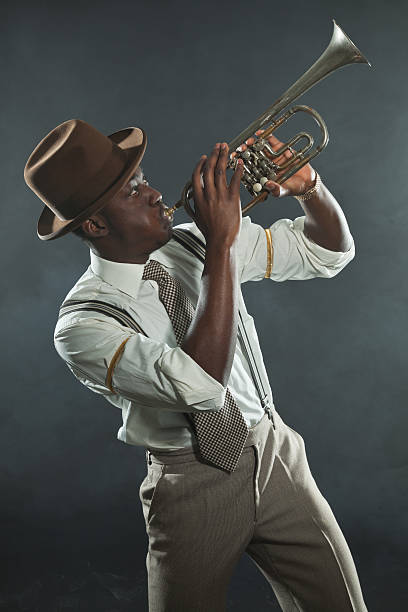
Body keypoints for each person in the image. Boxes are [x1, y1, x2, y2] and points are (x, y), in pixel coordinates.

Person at [24, 118, 368, 611]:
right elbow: (201, 385)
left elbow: (328, 253)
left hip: (274, 455)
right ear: (96, 225)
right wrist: (223, 247)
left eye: (143, 180)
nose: (155, 193)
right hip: (190, 485)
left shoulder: (193, 242)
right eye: (133, 191)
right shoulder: (83, 327)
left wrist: (309, 188)